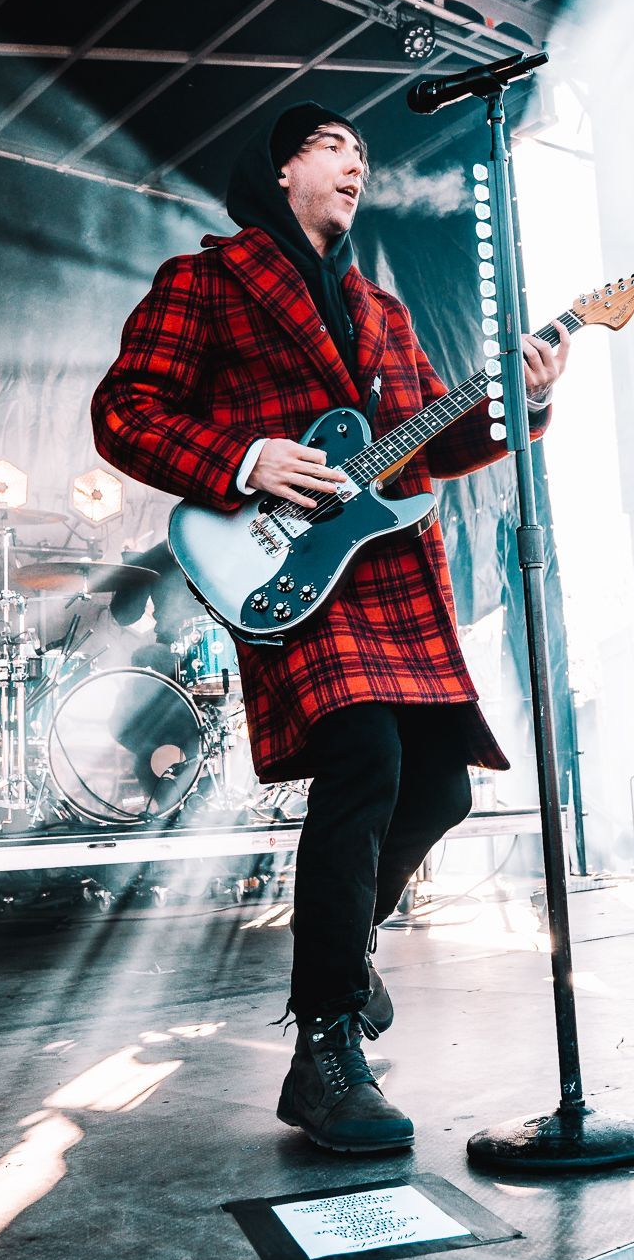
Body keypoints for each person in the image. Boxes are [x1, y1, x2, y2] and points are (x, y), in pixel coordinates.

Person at [92, 101, 567, 1151]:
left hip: (392, 574)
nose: (357, 165)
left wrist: (525, 404)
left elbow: (432, 447)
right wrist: (244, 460)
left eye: (364, 155)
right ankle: (326, 1048)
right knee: (363, 758)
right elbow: (124, 412)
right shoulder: (205, 281)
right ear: (281, 169)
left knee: (440, 787)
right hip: (289, 570)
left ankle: (343, 954)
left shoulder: (382, 312)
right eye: (335, 148)